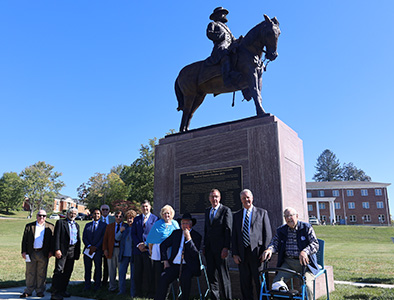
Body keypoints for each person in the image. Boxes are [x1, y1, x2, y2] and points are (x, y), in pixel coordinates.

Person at [263, 207, 319, 300]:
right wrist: (269, 249)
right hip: (288, 264)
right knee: (276, 284)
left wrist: (305, 251)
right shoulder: (281, 230)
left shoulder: (306, 227)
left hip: (306, 264)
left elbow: (315, 244)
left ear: (297, 216)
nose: (288, 218)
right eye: (286, 216)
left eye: (291, 216)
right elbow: (274, 243)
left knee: (307, 286)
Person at [232, 189, 272, 300]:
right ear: (241, 200)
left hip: (258, 255)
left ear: (252, 198)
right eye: (244, 198)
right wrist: (235, 254)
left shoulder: (262, 213)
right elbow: (234, 236)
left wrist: (265, 251)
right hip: (242, 255)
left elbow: (267, 234)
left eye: (248, 197)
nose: (246, 200)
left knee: (260, 282)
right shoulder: (236, 216)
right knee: (245, 283)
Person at [154, 213, 202, 300]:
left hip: (188, 266)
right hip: (174, 264)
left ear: (191, 224)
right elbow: (163, 245)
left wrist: (188, 239)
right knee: (164, 276)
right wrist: (165, 261)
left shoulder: (197, 236)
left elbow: (195, 253)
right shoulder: (176, 233)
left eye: (187, 223)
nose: (184, 225)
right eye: (183, 223)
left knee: (185, 278)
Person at [203, 189, 233, 300]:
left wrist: (226, 247)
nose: (214, 199)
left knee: (223, 276)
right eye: (212, 197)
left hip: (221, 250)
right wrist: (205, 246)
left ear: (220, 198)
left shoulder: (226, 210)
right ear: (209, 198)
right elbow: (206, 230)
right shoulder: (207, 211)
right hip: (210, 250)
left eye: (216, 196)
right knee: (212, 277)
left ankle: (227, 298)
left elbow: (228, 230)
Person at [20, 209, 54, 298]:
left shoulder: (50, 227)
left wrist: (51, 251)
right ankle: (29, 290)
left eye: (44, 216)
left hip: (43, 253)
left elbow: (52, 241)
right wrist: (23, 251)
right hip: (31, 252)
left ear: (46, 217)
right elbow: (24, 240)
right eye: (40, 215)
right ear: (36, 216)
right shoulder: (29, 226)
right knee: (30, 272)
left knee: (41, 272)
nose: (41, 217)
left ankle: (40, 290)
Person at [146, 204, 179, 292]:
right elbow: (151, 239)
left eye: (168, 213)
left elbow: (179, 237)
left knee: (169, 273)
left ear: (171, 214)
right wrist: (150, 250)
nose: (166, 215)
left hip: (171, 251)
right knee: (158, 272)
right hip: (158, 251)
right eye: (164, 213)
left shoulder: (175, 224)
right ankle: (157, 292)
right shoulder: (158, 224)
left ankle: (167, 293)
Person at [51, 207, 81, 300]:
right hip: (62, 250)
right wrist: (57, 249)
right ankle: (55, 292)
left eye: (75, 213)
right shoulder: (61, 223)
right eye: (71, 213)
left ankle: (63, 290)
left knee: (68, 271)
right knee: (59, 271)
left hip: (72, 250)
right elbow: (56, 236)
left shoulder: (77, 225)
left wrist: (77, 252)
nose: (73, 215)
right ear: (67, 213)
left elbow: (77, 239)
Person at [131, 200, 159, 297]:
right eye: (143, 206)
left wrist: (146, 244)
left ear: (150, 207)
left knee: (149, 273)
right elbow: (133, 233)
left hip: (149, 250)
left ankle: (150, 293)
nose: (145, 208)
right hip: (138, 250)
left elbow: (156, 234)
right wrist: (139, 244)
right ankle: (138, 293)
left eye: (146, 206)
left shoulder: (155, 219)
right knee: (137, 273)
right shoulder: (137, 219)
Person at [206, 6, 238, 87]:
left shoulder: (227, 28)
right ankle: (226, 79)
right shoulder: (213, 24)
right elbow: (209, 34)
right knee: (225, 56)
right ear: (217, 15)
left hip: (229, 47)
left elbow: (232, 38)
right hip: (220, 48)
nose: (224, 15)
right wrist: (221, 36)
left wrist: (239, 41)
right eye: (222, 13)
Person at [82, 208, 107, 291]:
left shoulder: (104, 225)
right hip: (88, 250)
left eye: (98, 214)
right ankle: (87, 285)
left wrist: (95, 247)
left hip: (98, 250)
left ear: (100, 215)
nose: (96, 215)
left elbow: (103, 238)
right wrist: (89, 246)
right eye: (95, 213)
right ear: (92, 215)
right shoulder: (87, 225)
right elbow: (84, 237)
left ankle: (97, 285)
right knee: (88, 269)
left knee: (98, 268)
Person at [102, 210, 125, 293]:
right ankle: (112, 287)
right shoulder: (109, 226)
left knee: (121, 270)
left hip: (121, 250)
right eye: (117, 216)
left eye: (120, 216)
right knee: (111, 270)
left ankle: (121, 288)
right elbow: (105, 239)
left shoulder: (125, 226)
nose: (118, 218)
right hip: (111, 249)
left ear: (123, 218)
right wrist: (105, 249)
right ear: (114, 217)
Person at [116, 209, 137, 296]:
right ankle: (122, 291)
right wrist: (120, 231)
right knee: (121, 274)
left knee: (133, 276)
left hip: (133, 255)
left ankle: (133, 293)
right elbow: (117, 238)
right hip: (124, 255)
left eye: (131, 218)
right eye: (128, 218)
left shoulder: (136, 228)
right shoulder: (124, 228)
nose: (129, 220)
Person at [100, 204, 114, 285]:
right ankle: (97, 281)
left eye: (106, 209)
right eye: (103, 209)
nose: (105, 211)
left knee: (107, 264)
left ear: (109, 210)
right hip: (99, 244)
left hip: (109, 244)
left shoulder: (113, 219)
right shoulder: (98, 218)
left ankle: (105, 281)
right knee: (98, 264)